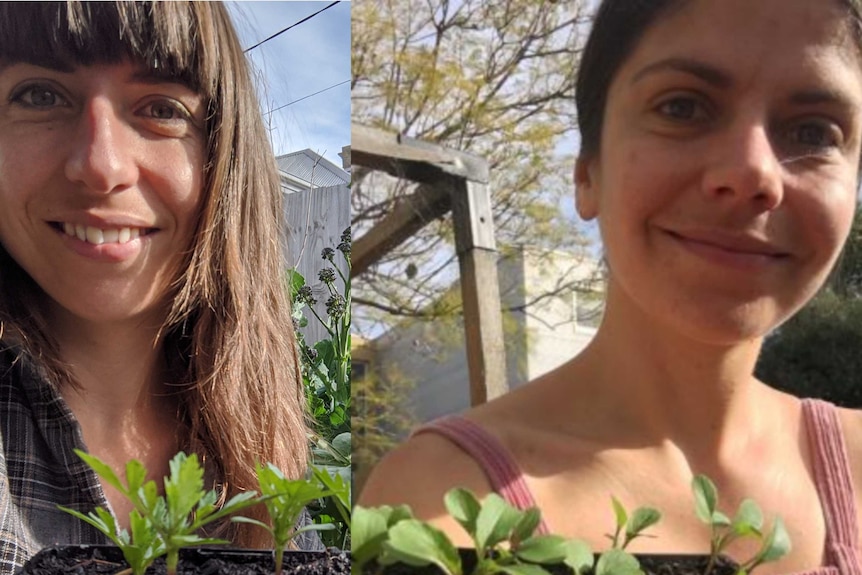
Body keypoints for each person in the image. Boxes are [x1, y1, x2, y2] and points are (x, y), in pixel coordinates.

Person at [359, 0, 862, 572]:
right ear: (586, 173)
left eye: (815, 131)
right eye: (683, 106)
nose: (752, 174)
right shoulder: (437, 505)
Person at [0, 2, 318, 570]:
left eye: (162, 108)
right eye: (40, 95)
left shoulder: (271, 448)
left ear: (224, 155)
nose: (100, 166)